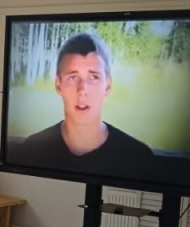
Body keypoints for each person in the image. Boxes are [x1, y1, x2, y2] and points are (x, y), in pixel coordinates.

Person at [11, 32, 153, 170]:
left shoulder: (137, 158)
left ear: (108, 86)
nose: (82, 90)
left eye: (93, 77)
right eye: (73, 77)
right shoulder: (32, 151)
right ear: (58, 85)